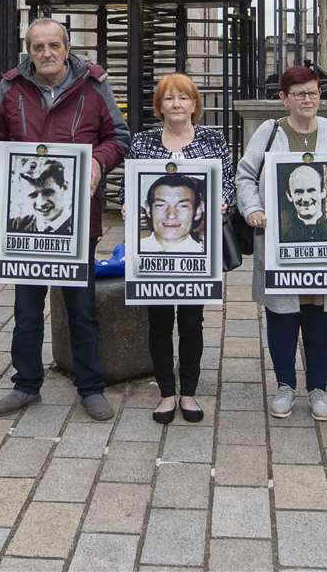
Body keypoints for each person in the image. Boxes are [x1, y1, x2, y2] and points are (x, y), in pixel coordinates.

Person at [0, 18, 130, 422]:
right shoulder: (11, 88)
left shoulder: (95, 87)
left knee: (81, 308)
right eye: (38, 47)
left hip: (78, 220)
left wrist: (99, 161)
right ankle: (26, 384)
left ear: (67, 48)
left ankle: (90, 387)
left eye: (53, 46)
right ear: (28, 51)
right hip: (25, 222)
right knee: (26, 309)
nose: (46, 53)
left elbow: (119, 137)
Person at [236, 65, 327, 422]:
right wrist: (252, 208)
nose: (307, 100)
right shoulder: (269, 133)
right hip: (280, 246)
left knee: (321, 319)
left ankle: (318, 388)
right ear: (284, 98)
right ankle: (285, 386)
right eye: (299, 94)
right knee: (282, 318)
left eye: (313, 93)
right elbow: (245, 176)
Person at [128, 73, 235, 424]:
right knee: (157, 321)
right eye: (169, 98)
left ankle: (188, 392)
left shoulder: (213, 139)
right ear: (159, 106)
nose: (176, 104)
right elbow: (131, 187)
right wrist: (129, 205)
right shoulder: (143, 141)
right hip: (155, 254)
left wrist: (222, 199)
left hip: (197, 251)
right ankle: (165, 394)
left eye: (183, 98)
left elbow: (229, 183)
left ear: (194, 104)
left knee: (192, 320)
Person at [276, 163, 327, 244]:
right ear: (289, 196)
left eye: (311, 191)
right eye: (298, 192)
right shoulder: (284, 236)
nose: (305, 199)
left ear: (323, 192)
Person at [8, 156, 76, 235]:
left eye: (48, 193)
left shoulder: (80, 227)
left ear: (65, 187)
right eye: (33, 195)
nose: (41, 203)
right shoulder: (14, 226)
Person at [139, 174, 206, 254]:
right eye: (161, 205)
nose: (171, 215)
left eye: (183, 206)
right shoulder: (128, 252)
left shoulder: (210, 258)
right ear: (148, 209)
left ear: (198, 211)